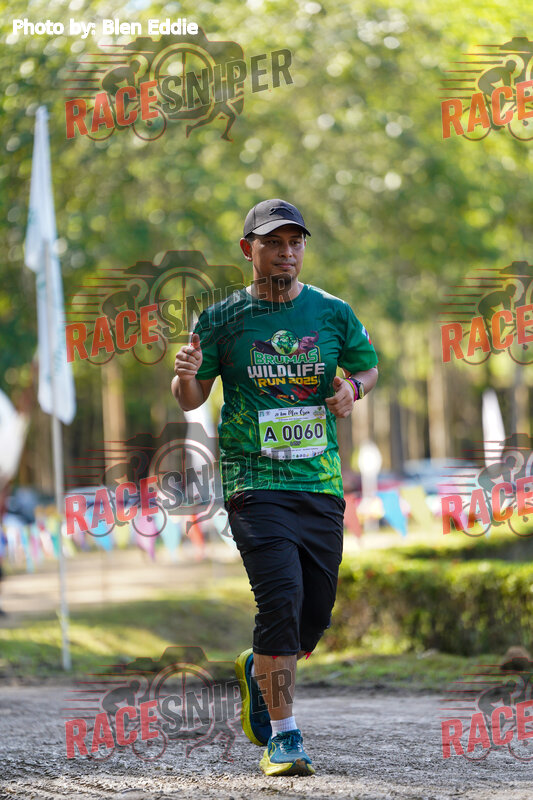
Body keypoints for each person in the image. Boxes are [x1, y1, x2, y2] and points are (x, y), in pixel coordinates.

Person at [171, 199, 378, 776]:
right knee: (280, 599)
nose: (287, 253)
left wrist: (354, 390)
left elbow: (368, 367)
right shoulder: (222, 319)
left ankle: (259, 666)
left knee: (314, 615)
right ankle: (285, 738)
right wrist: (184, 377)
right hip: (254, 481)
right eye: (274, 243)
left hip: (320, 482)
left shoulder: (333, 312)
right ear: (249, 250)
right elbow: (191, 396)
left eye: (296, 242)